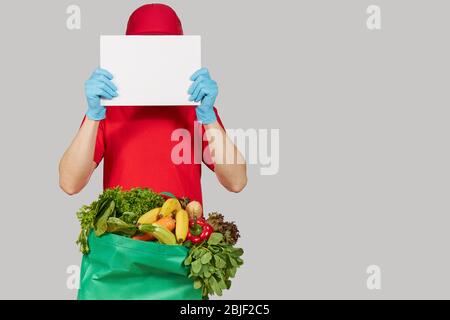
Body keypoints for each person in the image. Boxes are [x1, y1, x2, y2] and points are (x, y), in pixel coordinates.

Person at [59, 3, 247, 204]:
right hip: (121, 235)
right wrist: (92, 115)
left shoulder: (197, 108)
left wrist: (209, 119)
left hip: (183, 232)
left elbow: (236, 181)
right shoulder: (107, 109)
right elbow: (70, 183)